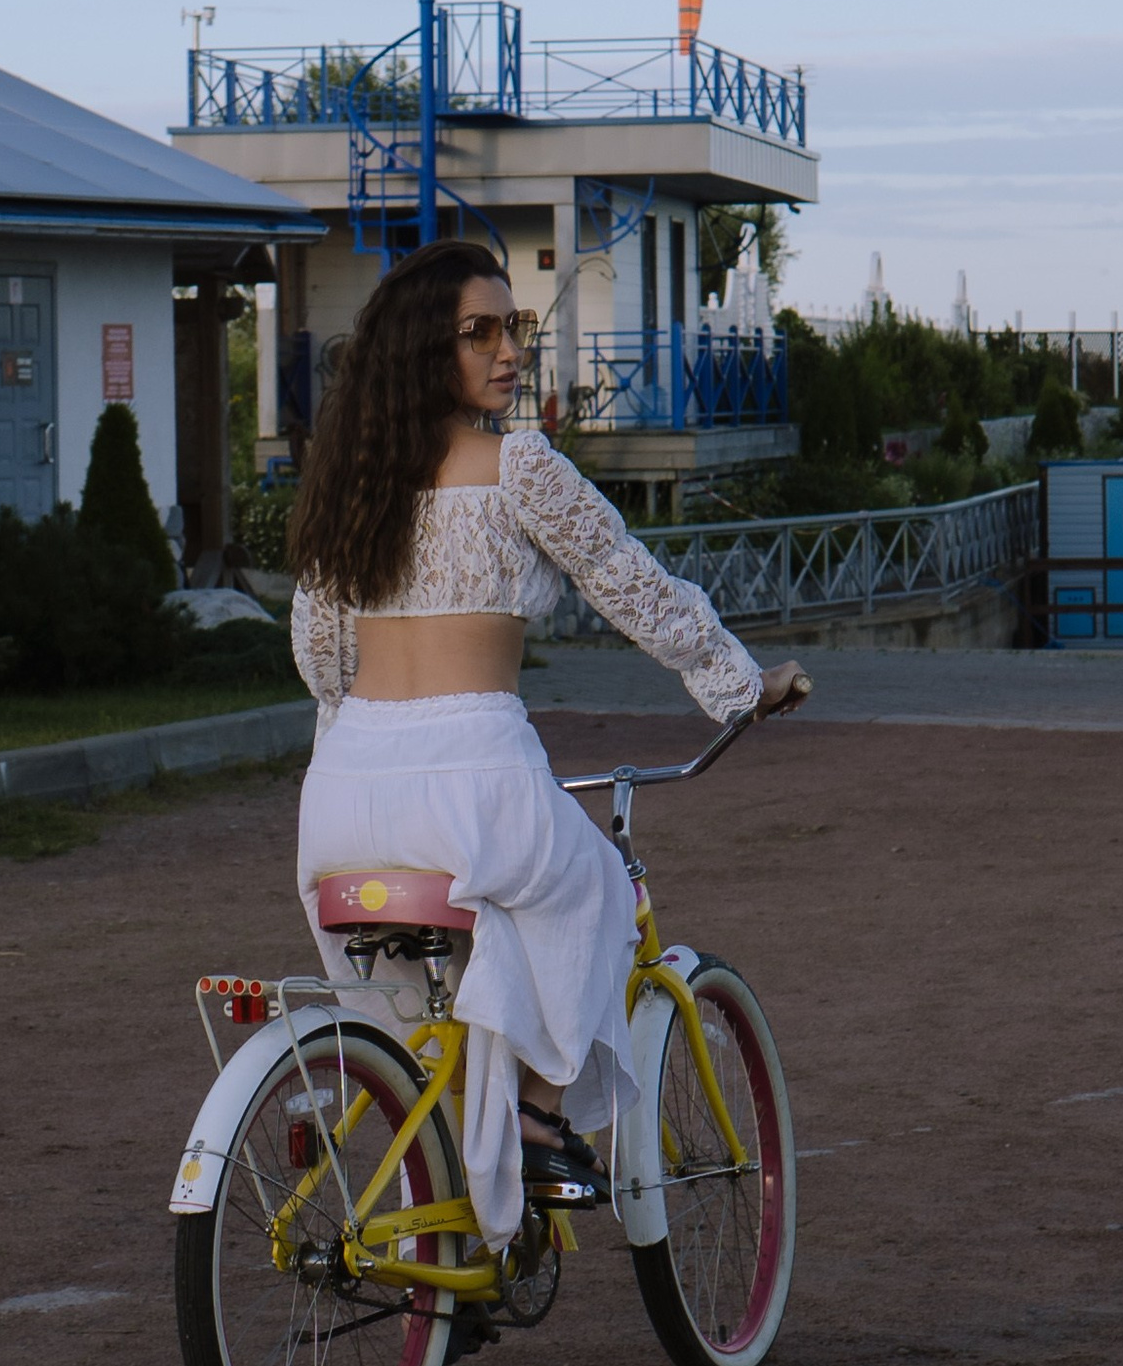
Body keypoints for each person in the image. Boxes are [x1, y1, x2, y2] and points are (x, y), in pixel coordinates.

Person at [288, 236, 809, 1261]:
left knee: (422, 1008)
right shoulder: (518, 464)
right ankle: (530, 1117)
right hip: (475, 776)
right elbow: (634, 585)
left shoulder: (352, 484)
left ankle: (437, 1188)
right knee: (597, 893)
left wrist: (368, 729)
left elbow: (317, 650)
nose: (506, 351)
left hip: (342, 789)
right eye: (476, 333)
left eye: (512, 328)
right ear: (420, 353)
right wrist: (740, 687)